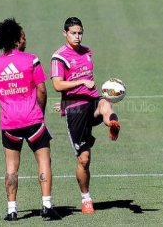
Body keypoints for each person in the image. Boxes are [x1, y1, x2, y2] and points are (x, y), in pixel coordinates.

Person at [0, 18, 61, 221]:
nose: (25, 40)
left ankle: (12, 210)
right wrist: (40, 112)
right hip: (33, 121)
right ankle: (47, 206)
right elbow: (42, 90)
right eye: (23, 37)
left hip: (9, 124)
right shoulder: (31, 60)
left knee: (11, 167)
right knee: (44, 160)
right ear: (15, 40)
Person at [50, 17, 120, 213]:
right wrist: (80, 84)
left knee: (105, 103)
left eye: (80, 32)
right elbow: (57, 85)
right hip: (75, 110)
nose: (77, 36)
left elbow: (90, 83)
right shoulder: (59, 57)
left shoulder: (87, 52)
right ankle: (86, 198)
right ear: (65, 33)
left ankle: (112, 124)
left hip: (92, 102)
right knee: (84, 159)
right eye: (73, 33)